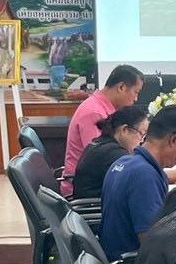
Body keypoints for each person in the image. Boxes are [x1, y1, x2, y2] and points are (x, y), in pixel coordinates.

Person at [99, 104, 176, 260]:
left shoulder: (125, 162)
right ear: (174, 139)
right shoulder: (144, 175)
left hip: (112, 257)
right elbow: (152, 244)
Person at [61, 64, 143, 194]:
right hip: (85, 191)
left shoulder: (103, 108)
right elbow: (102, 158)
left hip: (102, 181)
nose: (136, 99)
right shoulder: (94, 112)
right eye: (136, 92)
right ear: (121, 87)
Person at [70, 106, 147, 199]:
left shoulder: (101, 143)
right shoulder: (112, 153)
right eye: (141, 134)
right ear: (124, 130)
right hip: (94, 205)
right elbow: (143, 174)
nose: (141, 141)